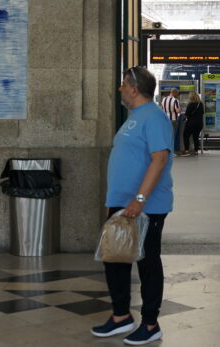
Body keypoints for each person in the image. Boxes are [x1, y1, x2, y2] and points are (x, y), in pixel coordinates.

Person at [91, 66, 173, 346]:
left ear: (134, 88)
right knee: (115, 258)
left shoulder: (155, 117)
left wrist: (139, 199)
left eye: (123, 84)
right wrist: (113, 204)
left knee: (147, 261)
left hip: (146, 205)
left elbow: (159, 159)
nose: (120, 89)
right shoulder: (133, 117)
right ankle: (120, 317)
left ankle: (150, 324)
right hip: (120, 203)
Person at [181, 92, 205, 156]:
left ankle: (186, 150)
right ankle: (196, 151)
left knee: (186, 135)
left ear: (191, 97)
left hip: (191, 123)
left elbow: (186, 114)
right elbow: (202, 113)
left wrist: (183, 118)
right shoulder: (200, 104)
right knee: (196, 137)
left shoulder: (190, 104)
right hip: (199, 123)